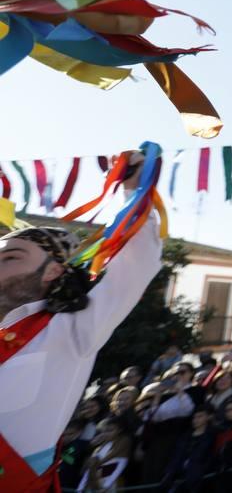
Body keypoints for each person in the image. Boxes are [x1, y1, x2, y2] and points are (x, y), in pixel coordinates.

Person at [0, 166, 162, 490]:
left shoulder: (72, 330)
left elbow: (135, 267)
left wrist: (135, 190)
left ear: (52, 271)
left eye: (10, 257)